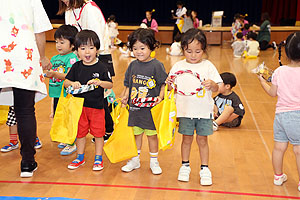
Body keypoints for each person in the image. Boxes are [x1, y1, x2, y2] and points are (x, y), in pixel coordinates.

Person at [0, 0, 52, 177]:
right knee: (25, 111)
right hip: (24, 60)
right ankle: (27, 163)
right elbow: (39, 32)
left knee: (24, 111)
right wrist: (43, 57)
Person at [166, 28, 222, 185]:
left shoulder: (208, 66)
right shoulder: (178, 66)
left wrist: (212, 85)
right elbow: (170, 88)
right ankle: (185, 166)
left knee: (203, 140)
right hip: (185, 112)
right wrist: (169, 85)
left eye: (197, 51)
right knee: (186, 139)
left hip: (203, 112)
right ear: (183, 49)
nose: (193, 55)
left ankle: (205, 168)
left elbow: (219, 86)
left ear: (203, 50)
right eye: (189, 51)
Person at [58, 0, 115, 143]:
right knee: (84, 95)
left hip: (98, 56)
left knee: (100, 97)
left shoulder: (89, 9)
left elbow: (96, 41)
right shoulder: (69, 10)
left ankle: (107, 129)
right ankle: (83, 131)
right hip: (81, 56)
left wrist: (89, 55)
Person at [120, 28, 167, 175]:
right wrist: (125, 96)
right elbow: (128, 83)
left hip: (151, 110)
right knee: (136, 135)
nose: (138, 51)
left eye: (142, 48)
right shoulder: (132, 65)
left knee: (152, 136)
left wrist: (160, 97)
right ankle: (135, 160)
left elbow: (163, 83)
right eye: (135, 48)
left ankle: (154, 161)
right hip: (135, 108)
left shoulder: (157, 65)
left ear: (151, 47)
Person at [64, 30, 113, 170]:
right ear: (77, 50)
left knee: (98, 134)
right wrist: (72, 83)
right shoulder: (76, 66)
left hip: (97, 108)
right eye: (83, 48)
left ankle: (98, 158)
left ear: (97, 49)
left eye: (91, 48)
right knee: (80, 134)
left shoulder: (102, 67)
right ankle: (80, 157)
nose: (87, 52)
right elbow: (66, 82)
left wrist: (99, 82)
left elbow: (110, 84)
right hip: (79, 108)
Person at [257, 32, 300, 191]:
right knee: (298, 150)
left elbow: (272, 93)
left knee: (279, 148)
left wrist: (262, 81)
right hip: (297, 116)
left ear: (287, 52)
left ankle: (277, 176)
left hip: (281, 116)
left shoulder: (279, 72)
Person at [45, 24, 79, 156]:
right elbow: (50, 72)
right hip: (56, 94)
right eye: (56, 42)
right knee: (60, 117)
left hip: (67, 95)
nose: (58, 45)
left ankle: (71, 142)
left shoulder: (72, 58)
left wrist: (54, 74)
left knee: (68, 117)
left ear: (72, 45)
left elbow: (69, 76)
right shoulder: (54, 58)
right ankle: (65, 138)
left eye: (62, 42)